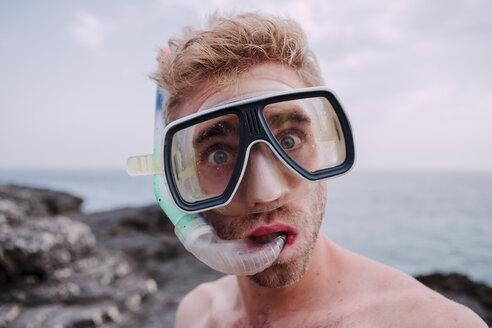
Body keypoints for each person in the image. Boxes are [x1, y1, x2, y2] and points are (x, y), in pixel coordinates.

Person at [150, 12, 487, 328]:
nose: (266, 193)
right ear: (175, 185)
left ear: (326, 144)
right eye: (219, 155)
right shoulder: (196, 313)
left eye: (290, 139)